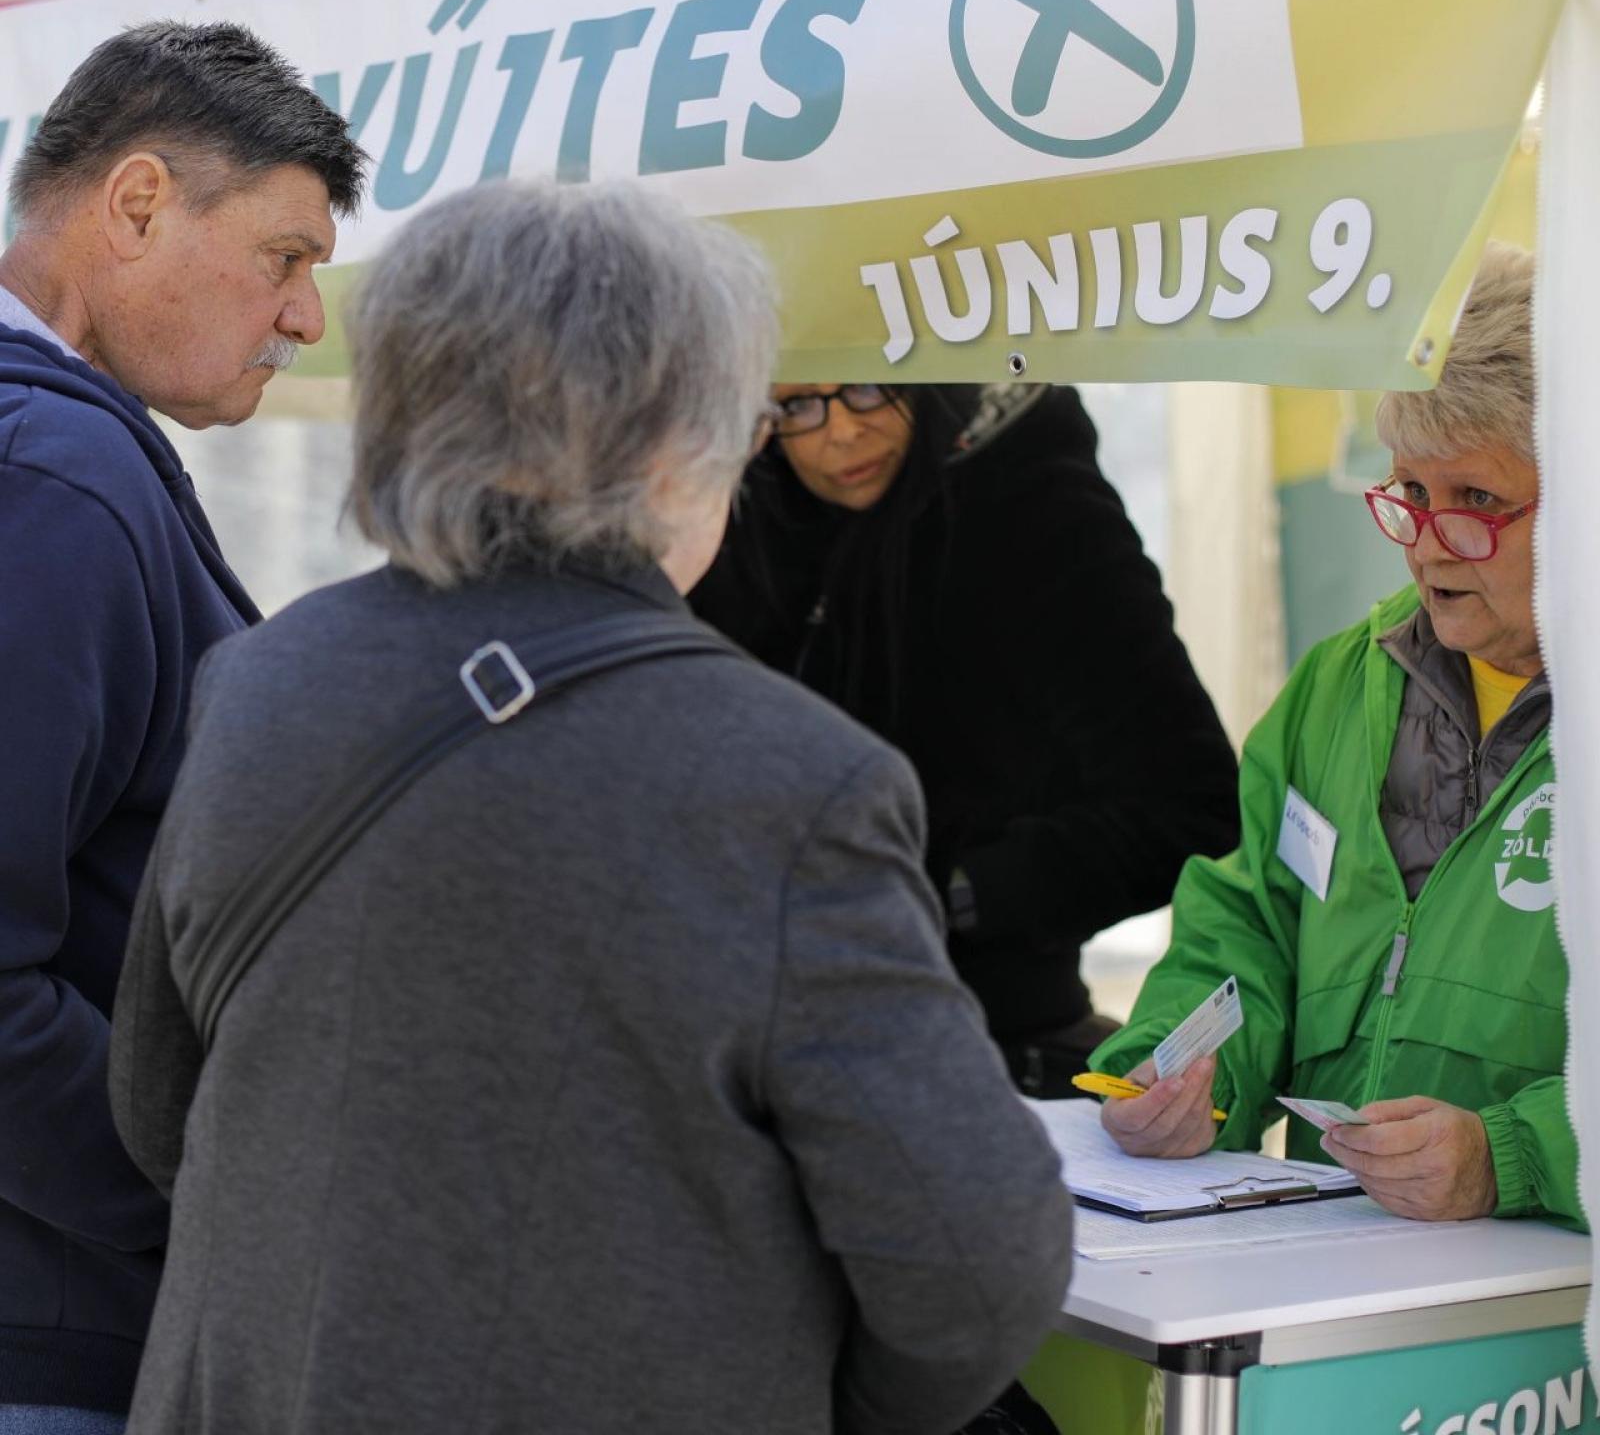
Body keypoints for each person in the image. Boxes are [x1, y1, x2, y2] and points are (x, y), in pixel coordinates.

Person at [107, 179, 1075, 1435]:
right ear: (676, 447)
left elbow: (160, 1112)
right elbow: (973, 1263)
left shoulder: (257, 687)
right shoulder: (792, 782)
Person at [0, 20, 365, 1429]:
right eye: (285, 258)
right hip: (57, 1320)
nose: (304, 320)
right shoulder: (56, 478)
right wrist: (209, 1200)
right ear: (139, 203)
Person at [1092, 243, 1579, 1227]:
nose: (1428, 541)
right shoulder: (1342, 682)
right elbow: (1251, 926)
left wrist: (1508, 1155)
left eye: (1477, 501)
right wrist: (1185, 1067)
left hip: (1549, 1337)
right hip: (1335, 1292)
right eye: (1408, 492)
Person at [690, 380, 1241, 1094]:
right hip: (747, 1049)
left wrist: (947, 896)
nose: (841, 434)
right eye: (796, 406)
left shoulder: (1035, 506)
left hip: (986, 1047)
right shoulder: (714, 516)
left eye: (864, 389)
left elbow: (1190, 807)